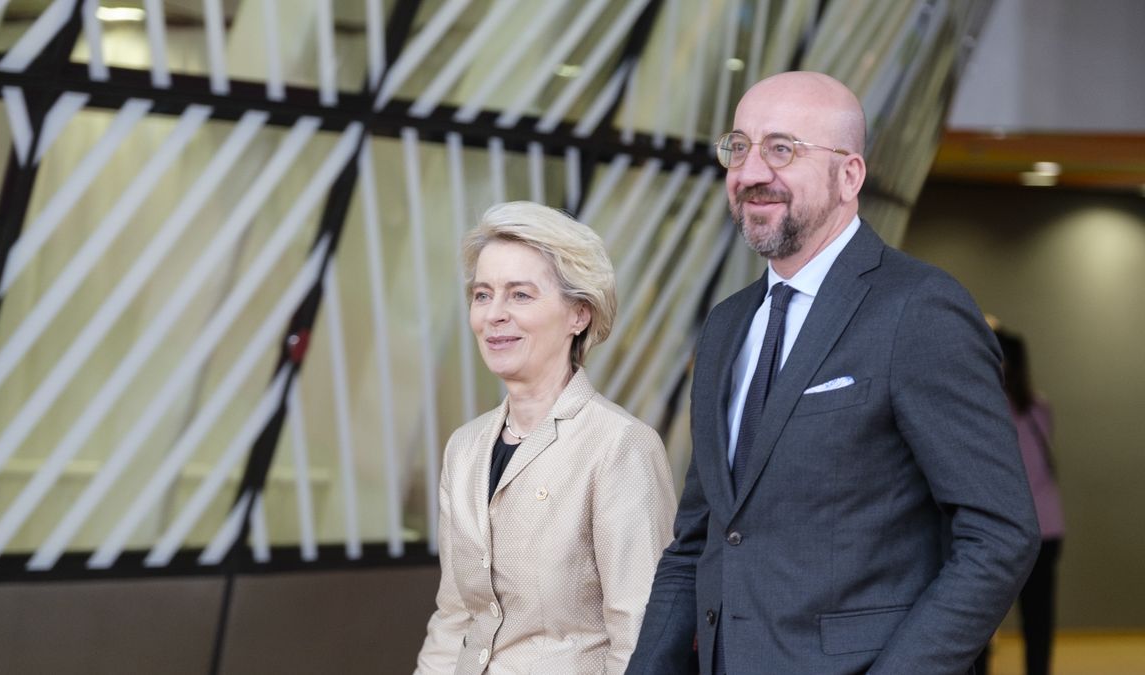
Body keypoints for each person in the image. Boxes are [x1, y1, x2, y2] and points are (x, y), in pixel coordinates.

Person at [627, 71, 1040, 675]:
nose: (750, 172)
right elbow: (699, 540)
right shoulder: (725, 326)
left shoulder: (919, 309)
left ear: (850, 176)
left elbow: (1000, 533)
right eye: (738, 147)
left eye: (782, 148)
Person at [414, 201, 677, 675]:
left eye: (520, 295)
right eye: (482, 294)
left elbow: (640, 636)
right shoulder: (465, 448)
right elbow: (455, 618)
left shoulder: (620, 446)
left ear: (578, 314)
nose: (494, 315)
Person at [987, 328, 1064, 675]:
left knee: (979, 620)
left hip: (1003, 533)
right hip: (1047, 529)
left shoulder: (987, 407)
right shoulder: (1039, 406)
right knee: (1038, 619)